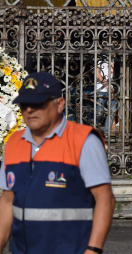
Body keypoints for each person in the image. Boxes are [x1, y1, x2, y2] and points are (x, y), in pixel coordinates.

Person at [0, 72, 115, 254]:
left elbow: (105, 199)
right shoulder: (13, 143)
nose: (30, 110)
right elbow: (7, 202)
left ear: (60, 104)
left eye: (38, 103)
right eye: (25, 104)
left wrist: (93, 250)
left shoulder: (83, 141)